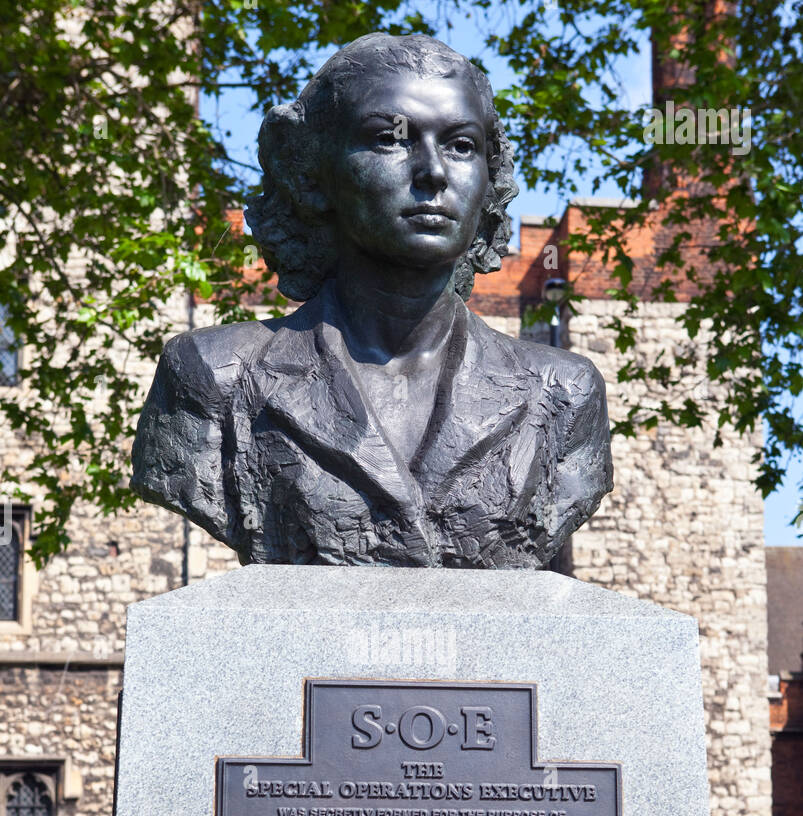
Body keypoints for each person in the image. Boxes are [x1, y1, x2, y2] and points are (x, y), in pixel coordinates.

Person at [132, 32, 612, 567]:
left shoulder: (562, 395)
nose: (432, 172)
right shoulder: (212, 376)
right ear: (310, 173)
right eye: (390, 138)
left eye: (460, 145)